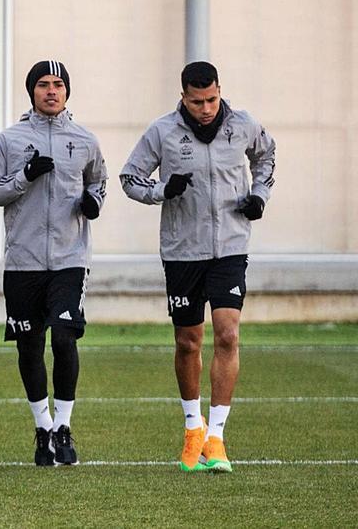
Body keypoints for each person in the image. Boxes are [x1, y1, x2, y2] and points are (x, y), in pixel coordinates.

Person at [120, 61, 275, 473]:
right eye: (196, 101)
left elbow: (267, 156)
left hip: (230, 247)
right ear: (183, 96)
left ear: (219, 90)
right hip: (182, 251)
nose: (205, 108)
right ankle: (193, 428)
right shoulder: (162, 131)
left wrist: (258, 196)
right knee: (189, 341)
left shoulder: (243, 124)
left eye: (211, 99)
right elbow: (129, 178)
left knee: (228, 333)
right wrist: (160, 191)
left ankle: (217, 437)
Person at [0, 60, 107, 466]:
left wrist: (94, 202)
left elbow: (98, 181)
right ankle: (42, 428)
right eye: (43, 85)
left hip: (70, 259)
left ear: (67, 91)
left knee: (65, 338)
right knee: (30, 347)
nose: (51, 91)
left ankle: (64, 427)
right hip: (24, 262)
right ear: (31, 91)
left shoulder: (84, 140)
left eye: (58, 85)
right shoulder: (10, 140)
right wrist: (24, 177)